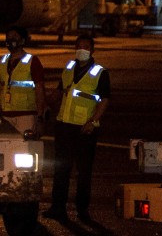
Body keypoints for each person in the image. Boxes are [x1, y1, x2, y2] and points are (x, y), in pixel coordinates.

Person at [43, 34, 110, 224]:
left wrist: (92, 121)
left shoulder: (100, 72)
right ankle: (57, 208)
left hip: (84, 129)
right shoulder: (69, 67)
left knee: (83, 171)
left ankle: (82, 210)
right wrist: (45, 101)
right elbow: (60, 91)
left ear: (92, 50)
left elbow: (105, 100)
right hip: (64, 125)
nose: (82, 50)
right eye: (79, 46)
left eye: (86, 47)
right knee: (61, 169)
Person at [0, 26, 46, 138]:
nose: (11, 40)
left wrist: (40, 117)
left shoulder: (32, 61)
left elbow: (40, 90)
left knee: (26, 150)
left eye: (14, 37)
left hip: (26, 116)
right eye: (8, 37)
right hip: (4, 116)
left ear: (23, 41)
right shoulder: (2, 61)